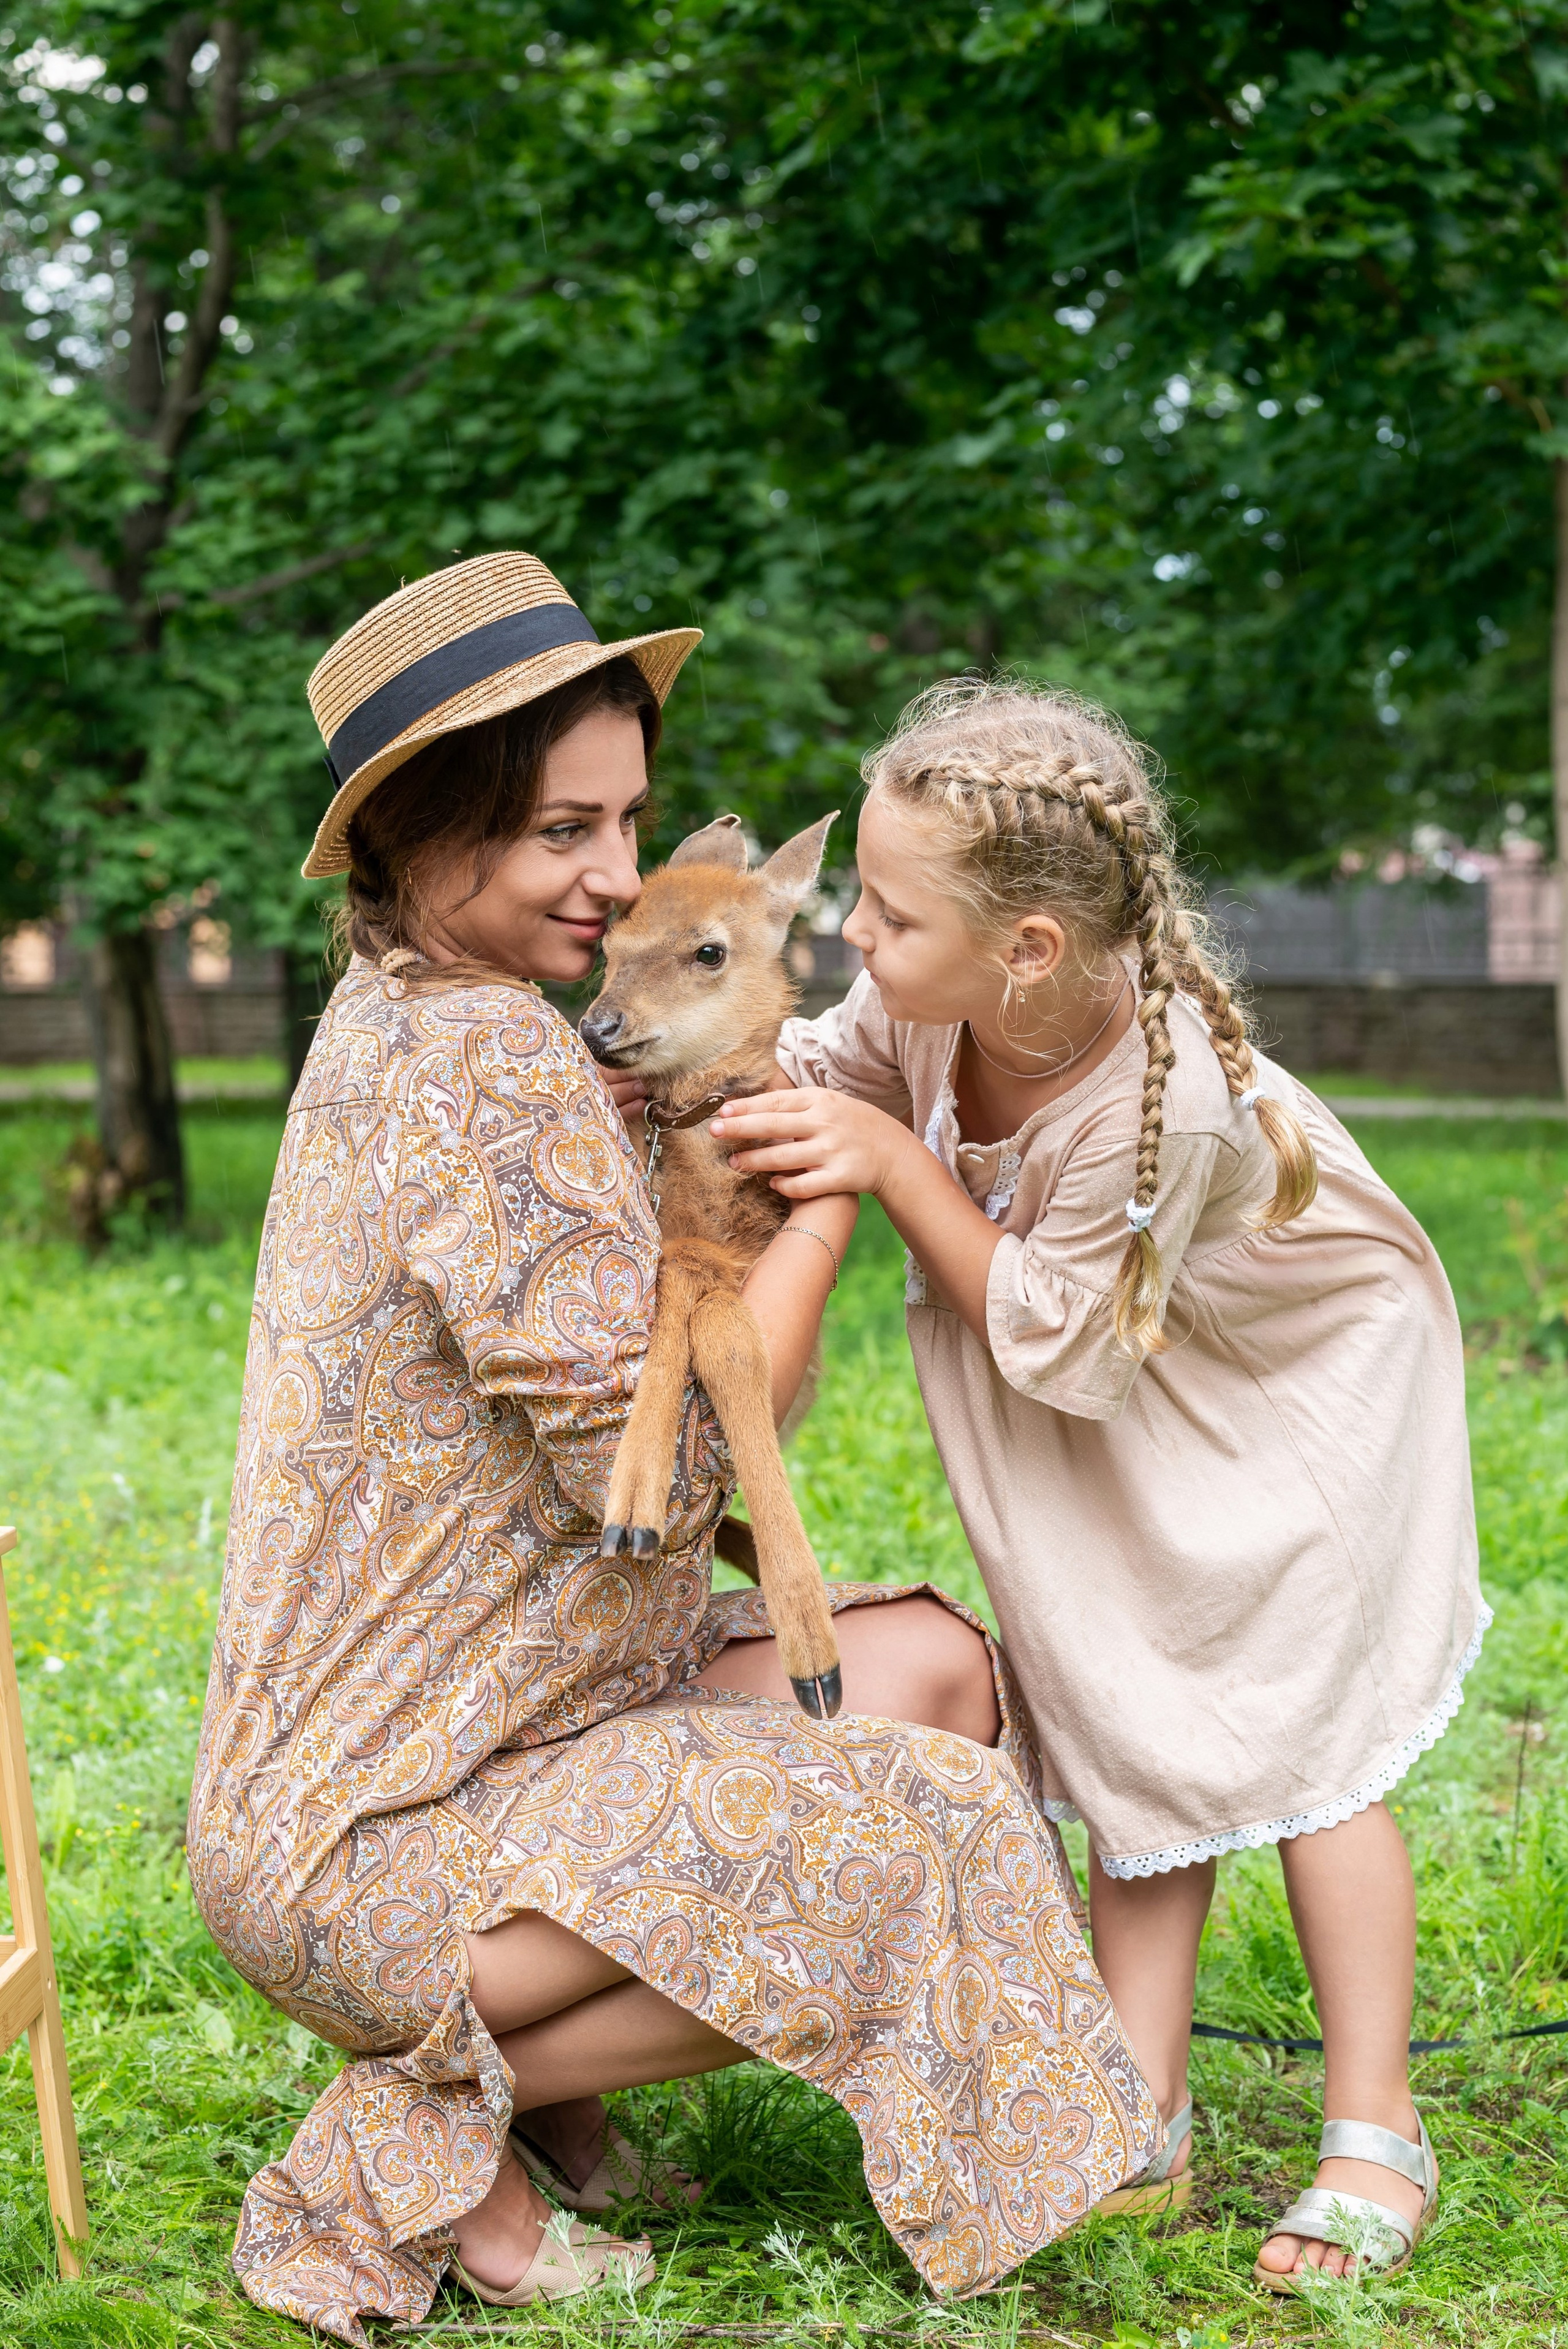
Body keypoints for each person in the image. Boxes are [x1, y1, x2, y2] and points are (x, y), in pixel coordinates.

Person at [186, 562, 1158, 2347]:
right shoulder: (484, 1064)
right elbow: (673, 1459)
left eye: (628, 819)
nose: (617, 874)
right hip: (383, 1831)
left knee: (932, 1671)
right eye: (564, 828)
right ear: (425, 829)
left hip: (466, 1732)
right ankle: (437, 2151)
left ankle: (546, 2099)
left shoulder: (433, 1011)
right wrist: (831, 1204)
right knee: (929, 1826)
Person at [705, 676, 1485, 2295]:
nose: (859, 931)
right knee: (1130, 1694)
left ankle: (1374, 2124)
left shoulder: (1164, 1088)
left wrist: (904, 1171)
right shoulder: (930, 992)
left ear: (1031, 949)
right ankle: (1138, 2108)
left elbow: (1058, 1340)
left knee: (1306, 1738)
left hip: (1290, 1383)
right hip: (1122, 1383)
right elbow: (827, 1066)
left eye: (890, 912)